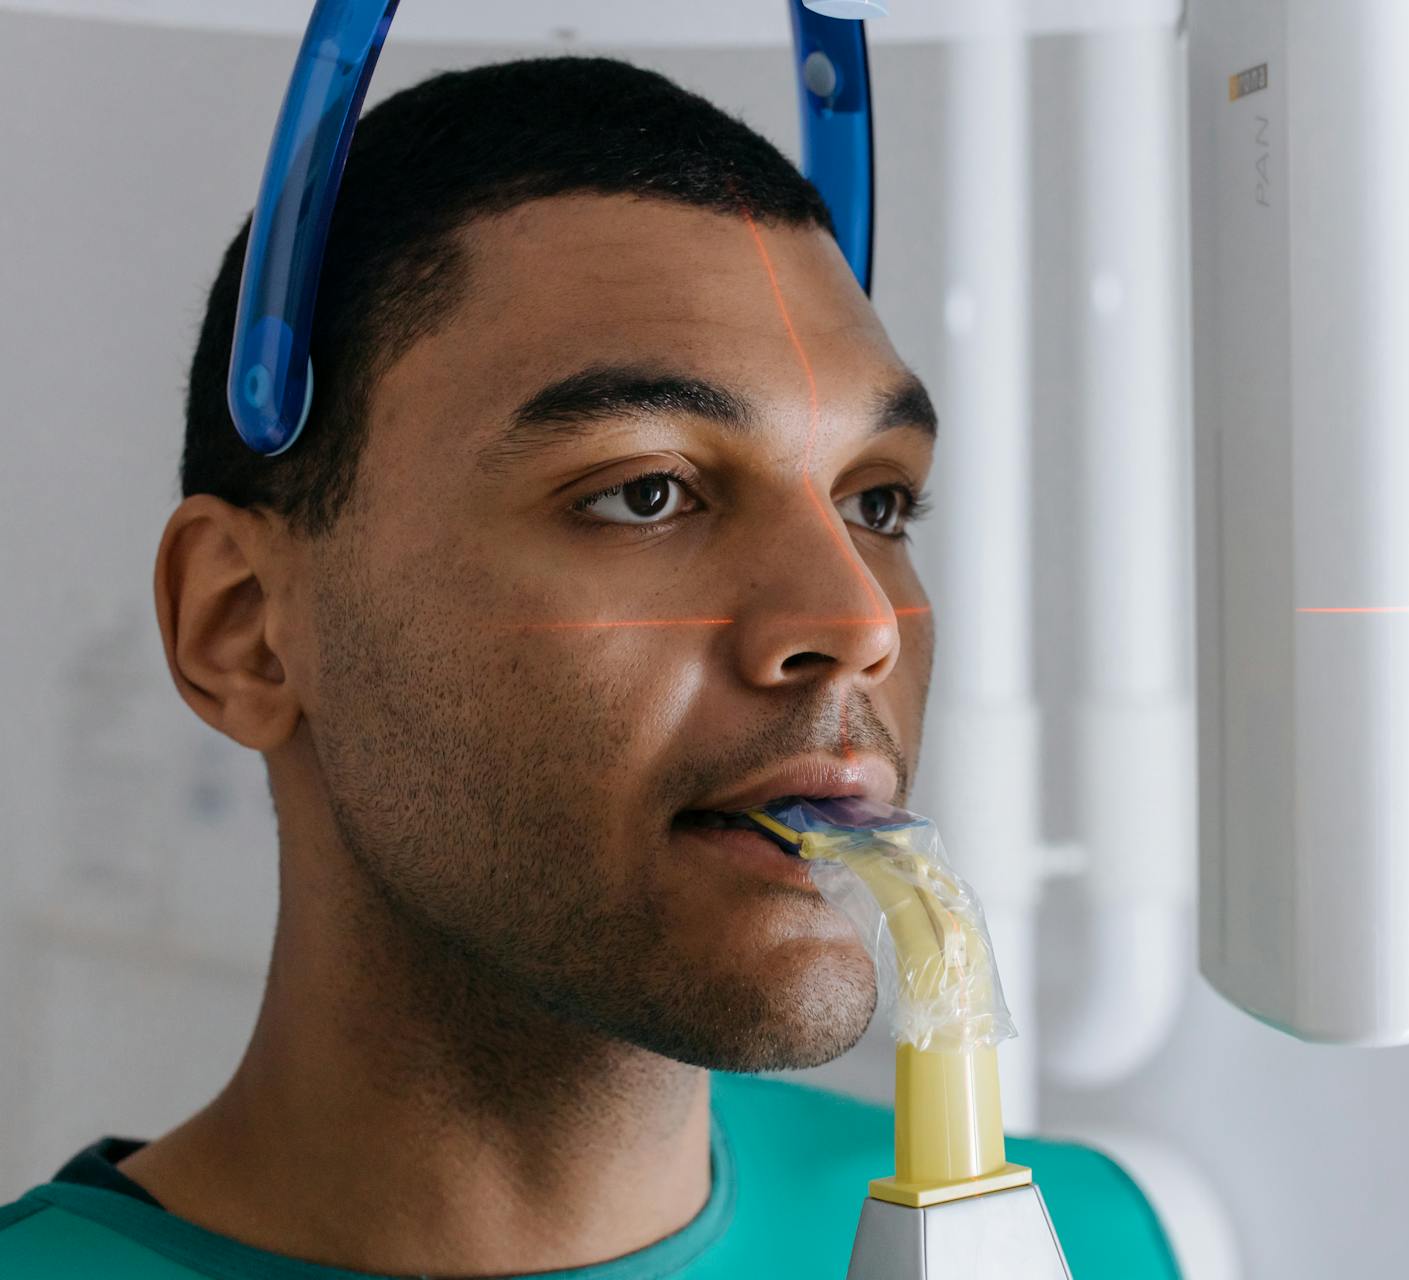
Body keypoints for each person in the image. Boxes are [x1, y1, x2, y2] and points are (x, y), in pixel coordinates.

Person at [0, 56, 1178, 1278]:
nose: (858, 619)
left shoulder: (1080, 1239)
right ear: (241, 625)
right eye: (646, 491)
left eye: (877, 501)